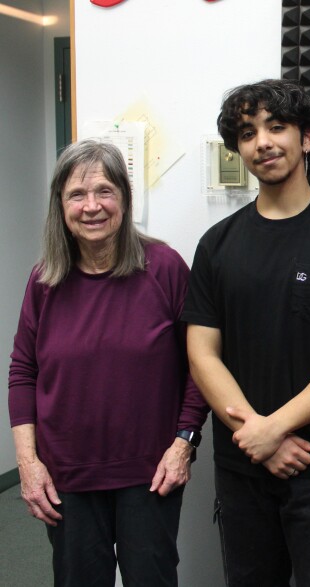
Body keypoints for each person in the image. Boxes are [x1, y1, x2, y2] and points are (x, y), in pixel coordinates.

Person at [183, 78, 310, 586]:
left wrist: (274, 429)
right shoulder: (217, 245)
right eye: (249, 133)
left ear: (308, 139)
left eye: (277, 127)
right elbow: (202, 356)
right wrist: (256, 433)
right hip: (243, 468)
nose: (263, 142)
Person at [7, 140, 208, 587]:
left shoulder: (165, 268)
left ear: (124, 198)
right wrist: (28, 462)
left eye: (104, 191)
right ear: (60, 205)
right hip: (67, 478)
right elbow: (23, 370)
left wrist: (183, 445)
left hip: (150, 474)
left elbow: (200, 366)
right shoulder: (45, 280)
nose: (91, 206)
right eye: (77, 194)